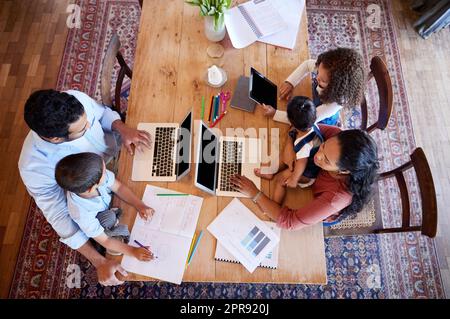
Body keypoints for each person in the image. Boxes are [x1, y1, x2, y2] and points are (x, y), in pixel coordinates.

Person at [18, 89, 152, 285]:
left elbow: (104, 114)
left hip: (115, 159)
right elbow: (58, 215)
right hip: (95, 194)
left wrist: (123, 129)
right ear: (56, 139)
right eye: (82, 130)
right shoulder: (33, 165)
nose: (90, 125)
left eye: (87, 119)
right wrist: (99, 261)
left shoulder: (74, 100)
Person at [231, 125, 379, 229]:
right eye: (323, 146)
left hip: (318, 204)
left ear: (345, 171)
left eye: (326, 160)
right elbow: (301, 125)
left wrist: (254, 193)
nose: (317, 155)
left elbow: (290, 222)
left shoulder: (336, 199)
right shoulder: (336, 137)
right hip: (312, 176)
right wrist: (289, 145)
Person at [55, 152, 155, 260]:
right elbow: (105, 240)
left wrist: (139, 204)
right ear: (92, 188)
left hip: (108, 206)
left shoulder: (94, 178)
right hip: (100, 223)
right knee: (110, 231)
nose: (106, 171)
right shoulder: (81, 213)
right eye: (104, 171)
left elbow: (119, 187)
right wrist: (133, 251)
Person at [260, 47, 365, 126]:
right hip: (314, 101)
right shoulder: (326, 69)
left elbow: (306, 120)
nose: (317, 77)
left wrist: (275, 114)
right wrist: (291, 82)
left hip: (319, 118)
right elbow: (307, 64)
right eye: (318, 71)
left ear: (336, 87)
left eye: (323, 80)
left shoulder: (333, 104)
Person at [255, 96, 323, 204]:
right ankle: (270, 171)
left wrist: (294, 179)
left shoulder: (305, 144)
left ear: (292, 123)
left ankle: (275, 205)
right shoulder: (313, 124)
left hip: (306, 173)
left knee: (280, 180)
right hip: (302, 159)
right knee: (283, 156)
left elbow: (302, 163)